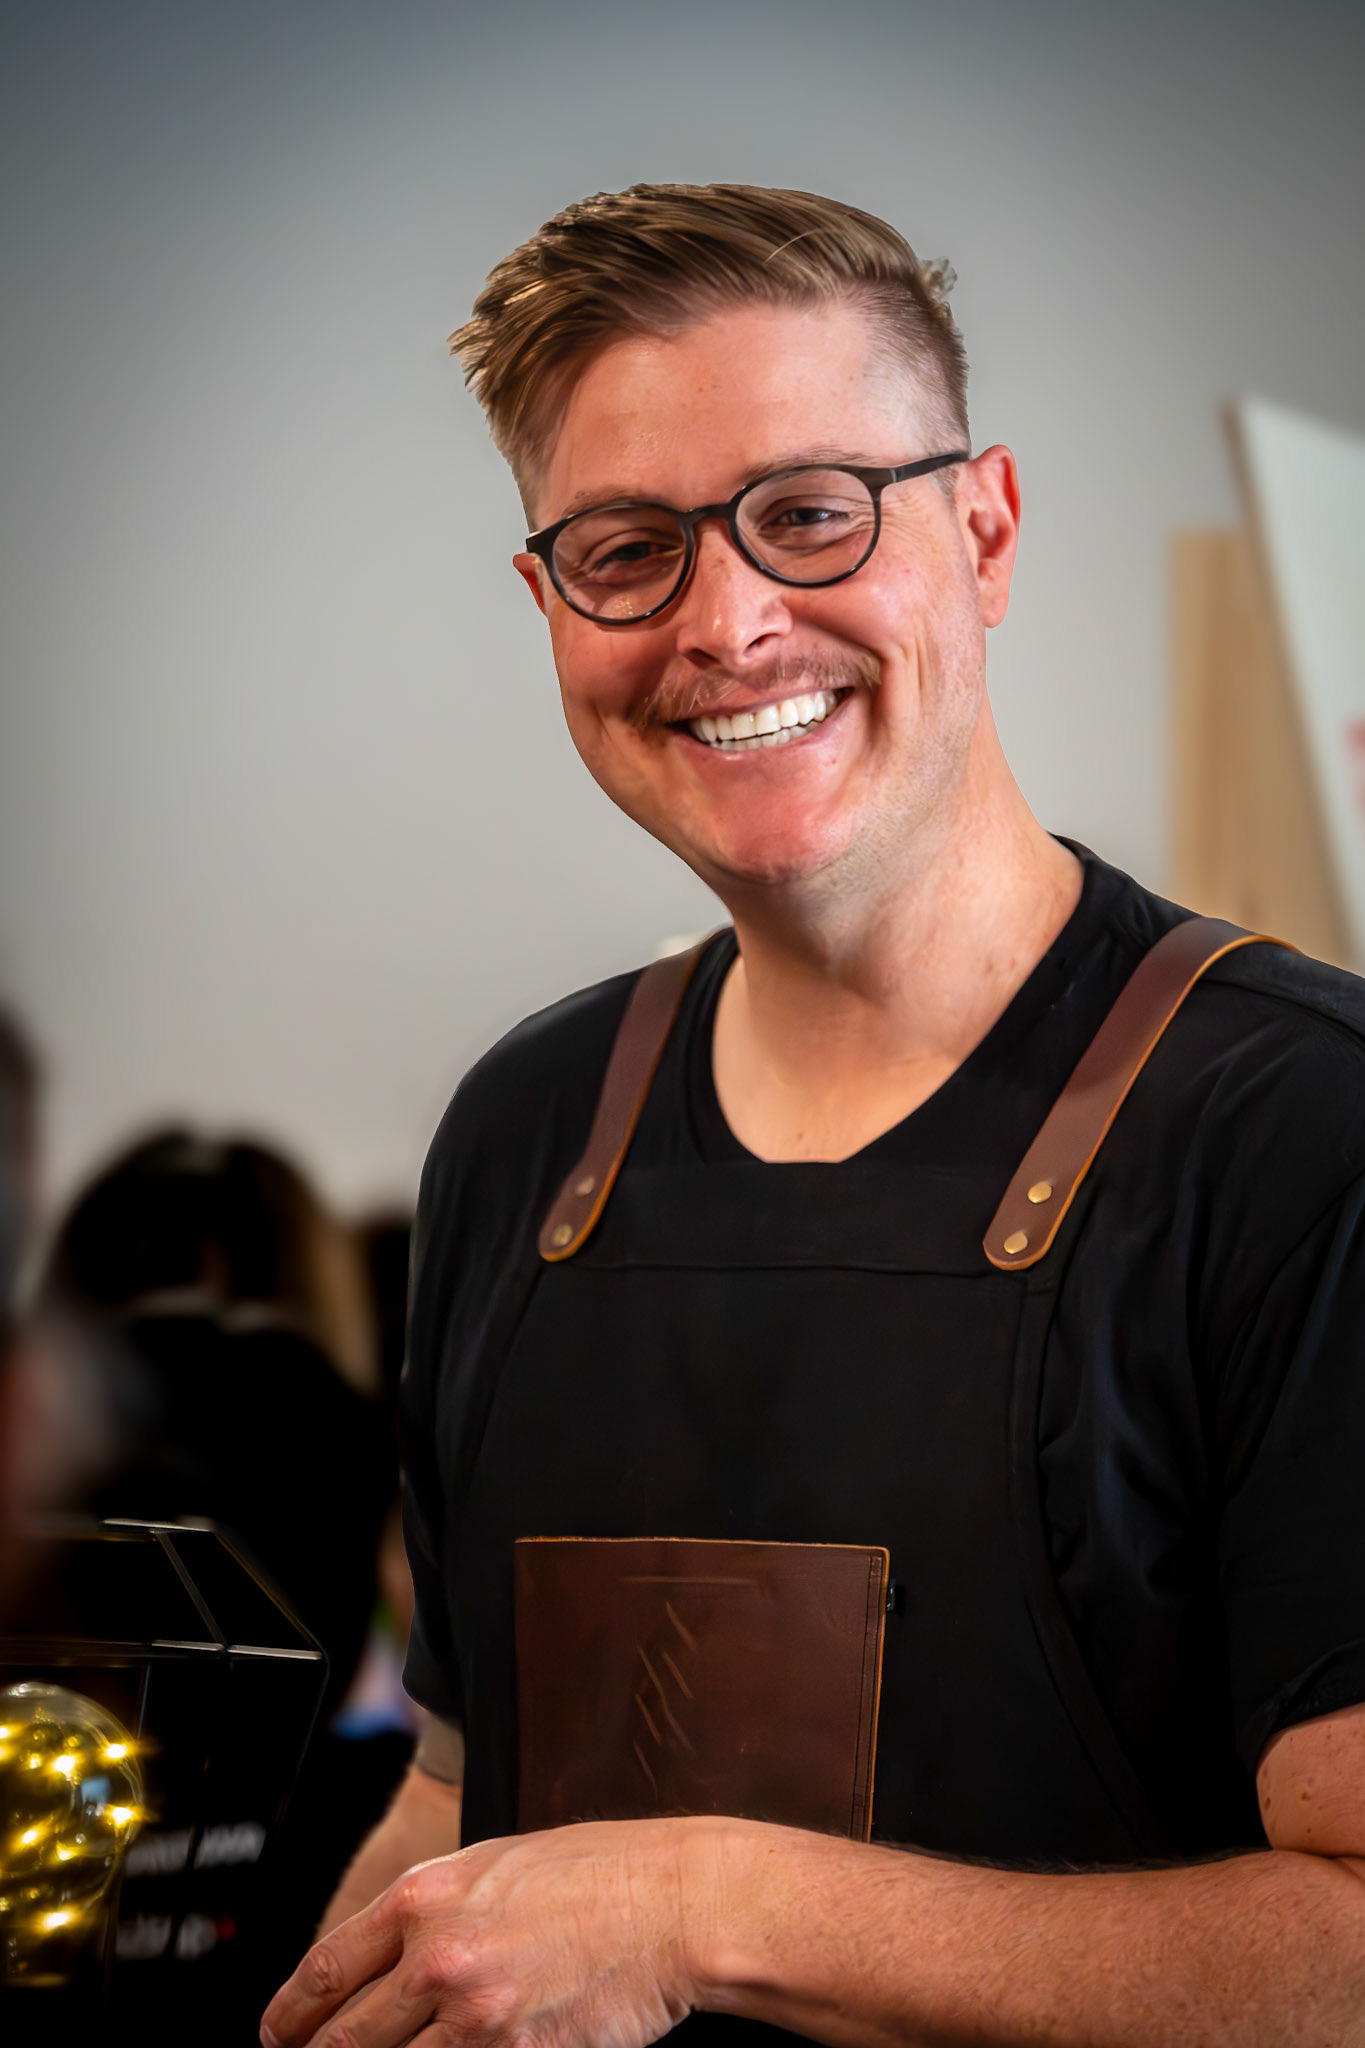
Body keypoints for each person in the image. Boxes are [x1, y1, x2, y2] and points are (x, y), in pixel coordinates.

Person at [263, 184, 1365, 2048]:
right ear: (548, 607)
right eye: (628, 551)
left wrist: (706, 1911)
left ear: (984, 530)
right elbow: (459, 1804)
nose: (729, 623)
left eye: (808, 513)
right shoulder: (528, 1132)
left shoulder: (1303, 1132)